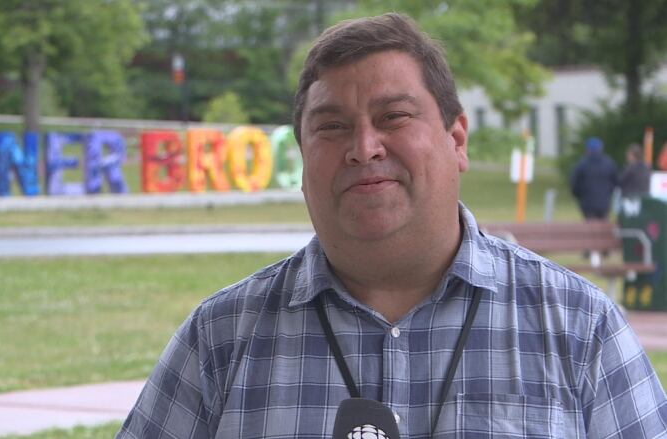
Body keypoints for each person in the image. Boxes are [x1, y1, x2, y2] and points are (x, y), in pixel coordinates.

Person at [117, 13, 667, 438]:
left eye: (393, 117)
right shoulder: (219, 339)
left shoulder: (579, 327)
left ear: (457, 140)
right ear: (304, 162)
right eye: (331, 126)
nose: (363, 148)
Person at [570, 137, 619, 220]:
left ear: (587, 149)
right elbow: (615, 181)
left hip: (587, 203)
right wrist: (608, 193)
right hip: (604, 202)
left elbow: (575, 184)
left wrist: (579, 196)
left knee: (590, 228)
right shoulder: (609, 163)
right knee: (603, 227)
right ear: (600, 148)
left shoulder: (582, 164)